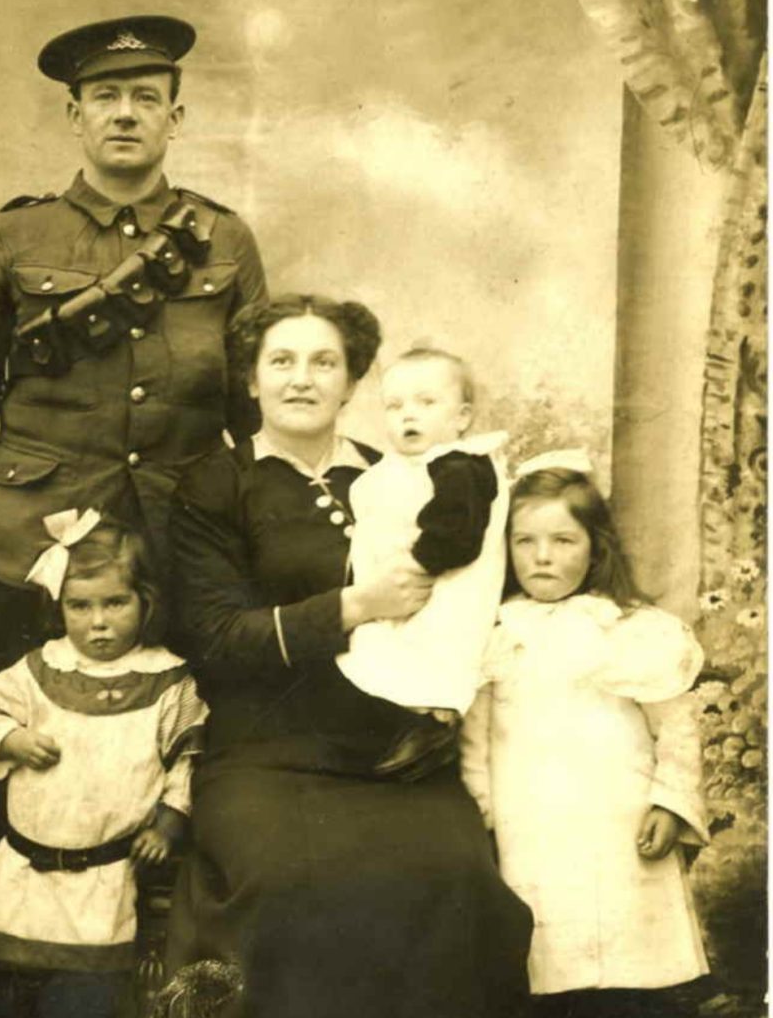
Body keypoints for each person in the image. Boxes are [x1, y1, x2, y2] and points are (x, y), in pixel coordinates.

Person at [167, 293, 533, 1018]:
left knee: (458, 878)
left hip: (394, 750)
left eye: (324, 362)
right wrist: (355, 606)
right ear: (250, 380)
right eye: (282, 361)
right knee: (289, 885)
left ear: (351, 380)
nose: (302, 378)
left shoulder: (401, 471)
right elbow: (215, 637)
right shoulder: (216, 484)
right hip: (267, 751)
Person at [0, 14, 267, 675]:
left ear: (176, 117)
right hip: (29, 560)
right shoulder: (15, 237)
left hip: (182, 552)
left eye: (146, 98)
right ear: (76, 116)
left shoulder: (225, 240)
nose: (126, 115)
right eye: (106, 98)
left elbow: (257, 419)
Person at [461, 450, 710, 1018]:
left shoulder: (630, 630)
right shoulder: (498, 634)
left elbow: (675, 727)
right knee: (550, 963)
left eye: (563, 541)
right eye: (525, 541)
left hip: (617, 827)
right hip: (533, 830)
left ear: (596, 545)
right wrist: (484, 820)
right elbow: (474, 746)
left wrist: (669, 803)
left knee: (631, 969)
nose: (542, 556)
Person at [0, 513, 207, 1017]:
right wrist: (12, 739)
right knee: (8, 987)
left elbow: (186, 762)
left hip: (104, 879)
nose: (97, 622)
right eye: (79, 606)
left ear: (146, 601)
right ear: (60, 607)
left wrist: (167, 824)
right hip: (25, 874)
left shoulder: (167, 681)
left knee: (85, 998)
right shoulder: (39, 669)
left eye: (115, 603)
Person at [336, 346, 509, 719]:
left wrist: (414, 564)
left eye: (426, 402)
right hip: (396, 592)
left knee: (431, 656)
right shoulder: (394, 470)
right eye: (394, 406)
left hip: (442, 584)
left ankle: (431, 721)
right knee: (378, 654)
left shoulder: (461, 466)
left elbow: (456, 534)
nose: (408, 414)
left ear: (462, 417)